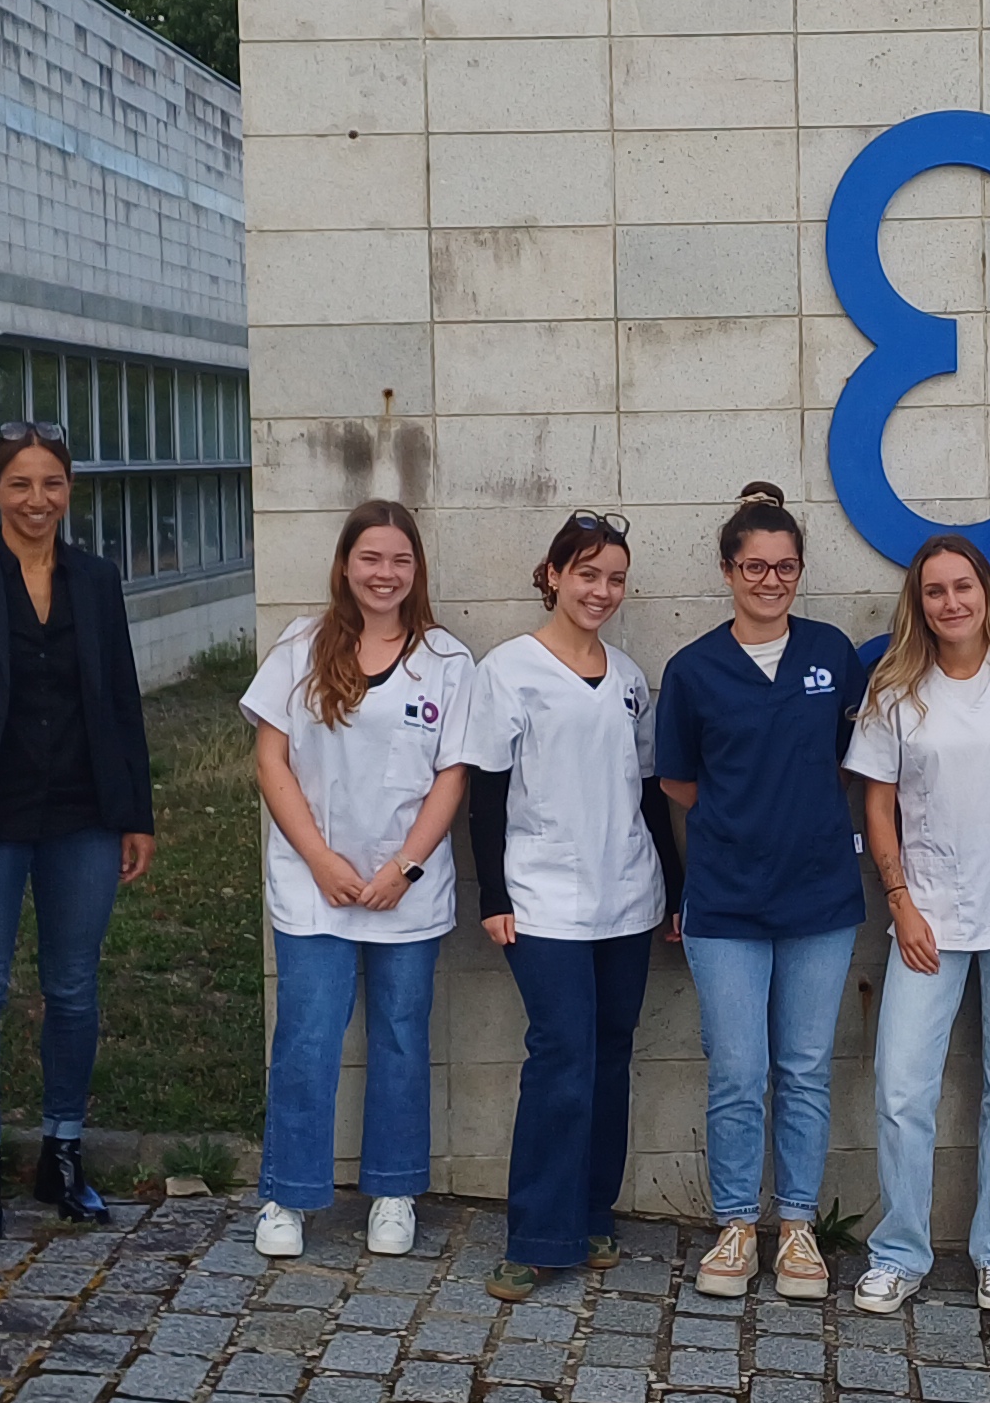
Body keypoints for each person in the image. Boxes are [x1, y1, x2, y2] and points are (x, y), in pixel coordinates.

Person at [0, 421, 161, 1239]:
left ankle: (63, 1152)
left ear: (69, 490)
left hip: (82, 812)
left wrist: (135, 812)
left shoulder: (97, 579)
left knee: (72, 988)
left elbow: (120, 699)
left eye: (51, 484)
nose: (36, 500)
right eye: (20, 484)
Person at [240, 500, 475, 1262]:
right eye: (371, 559)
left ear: (417, 571)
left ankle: (395, 1191)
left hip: (405, 887)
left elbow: (452, 775)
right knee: (307, 1038)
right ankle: (288, 1194)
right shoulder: (300, 647)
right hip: (316, 885)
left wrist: (404, 864)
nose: (385, 574)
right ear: (346, 565)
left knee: (402, 1039)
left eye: (400, 561)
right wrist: (321, 859)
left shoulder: (446, 660)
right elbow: (271, 761)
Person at [847, 533, 990, 1317]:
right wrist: (901, 899)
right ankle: (899, 1251)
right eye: (936, 590)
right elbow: (878, 804)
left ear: (987, 594)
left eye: (963, 587)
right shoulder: (895, 690)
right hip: (928, 918)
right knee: (902, 1085)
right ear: (920, 602)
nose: (952, 602)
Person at [656, 484, 867, 1304]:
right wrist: (746, 816)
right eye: (754, 566)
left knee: (806, 1068)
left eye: (784, 567)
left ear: (800, 571)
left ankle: (801, 1228)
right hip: (726, 902)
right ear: (727, 571)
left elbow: (851, 757)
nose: (770, 580)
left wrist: (795, 812)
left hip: (818, 896)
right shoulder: (694, 668)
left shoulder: (831, 652)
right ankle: (737, 1223)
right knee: (739, 1071)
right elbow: (676, 777)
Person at [460, 511, 674, 1305]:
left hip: (627, 894)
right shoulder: (509, 669)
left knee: (612, 1053)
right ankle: (534, 1236)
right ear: (553, 575)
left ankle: (591, 1215)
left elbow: (648, 795)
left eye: (615, 578)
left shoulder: (626, 676)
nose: (601, 591)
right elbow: (484, 789)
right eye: (587, 574)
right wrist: (494, 893)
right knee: (561, 1057)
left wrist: (672, 890)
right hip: (543, 899)